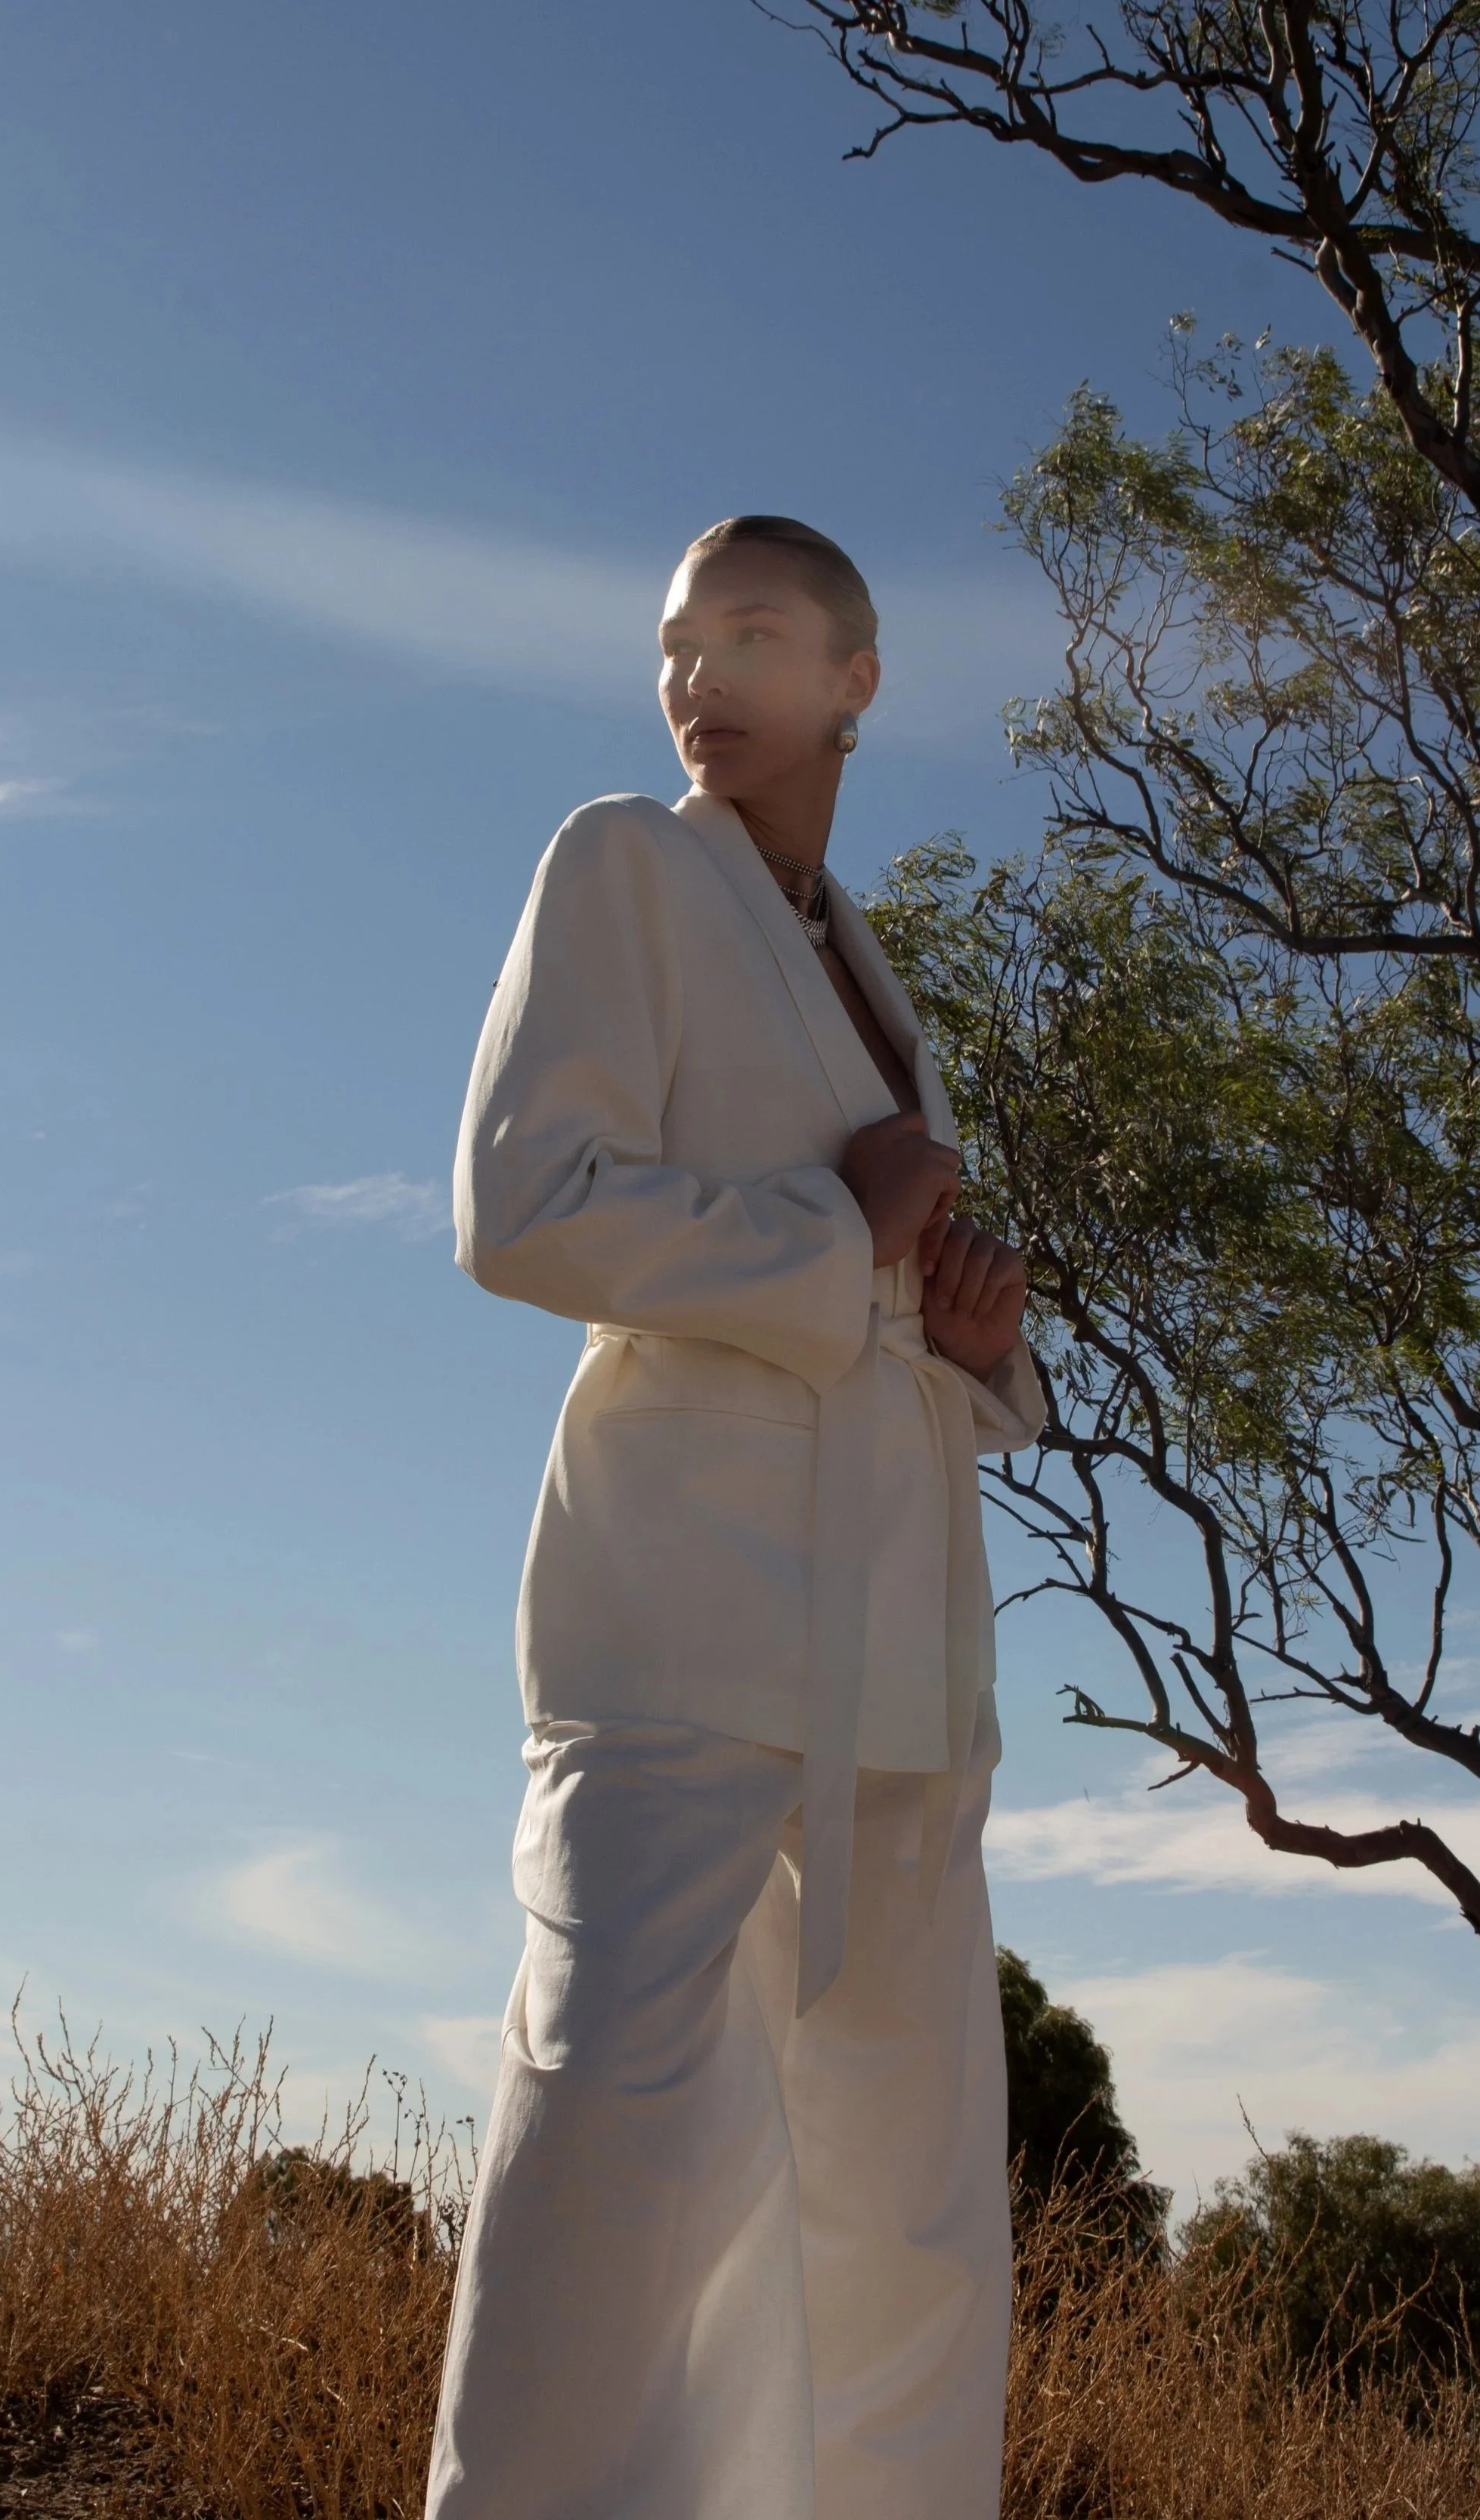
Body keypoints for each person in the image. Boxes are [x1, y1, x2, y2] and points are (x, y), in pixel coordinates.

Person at [427, 516, 1045, 2520]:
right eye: (680, 640)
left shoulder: (858, 965)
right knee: (599, 2155)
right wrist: (832, 1226)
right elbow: (522, 1206)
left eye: (755, 637)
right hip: (678, 1627)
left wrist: (953, 1334)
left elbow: (866, 1291)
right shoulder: (624, 859)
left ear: (858, 678)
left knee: (914, 2225)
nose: (702, 677)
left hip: (895, 1657)